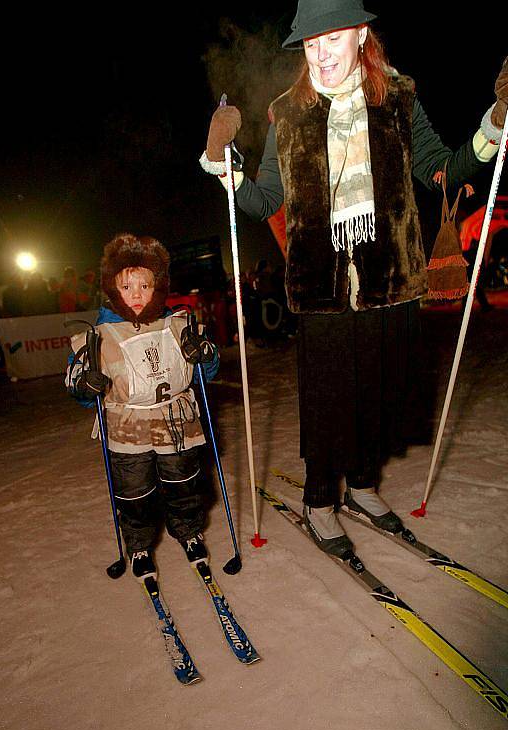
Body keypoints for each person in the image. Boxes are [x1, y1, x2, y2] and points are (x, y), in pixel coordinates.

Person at [200, 0, 508, 558]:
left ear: (361, 36)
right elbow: (264, 198)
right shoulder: (287, 114)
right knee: (329, 398)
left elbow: (441, 169)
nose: (321, 53)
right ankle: (321, 500)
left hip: (387, 276)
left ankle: (363, 488)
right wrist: (221, 159)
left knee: (378, 392)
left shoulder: (397, 101)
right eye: (310, 44)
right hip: (321, 284)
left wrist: (495, 124)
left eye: (332, 39)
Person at [66, 234, 219, 579]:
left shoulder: (177, 324)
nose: (136, 294)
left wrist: (204, 354)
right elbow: (75, 382)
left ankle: (189, 531)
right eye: (127, 286)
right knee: (135, 492)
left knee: (185, 482)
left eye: (144, 285)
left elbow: (208, 370)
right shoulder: (99, 335)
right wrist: (84, 383)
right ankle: (138, 544)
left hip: (176, 421)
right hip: (127, 427)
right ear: (112, 288)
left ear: (158, 287)